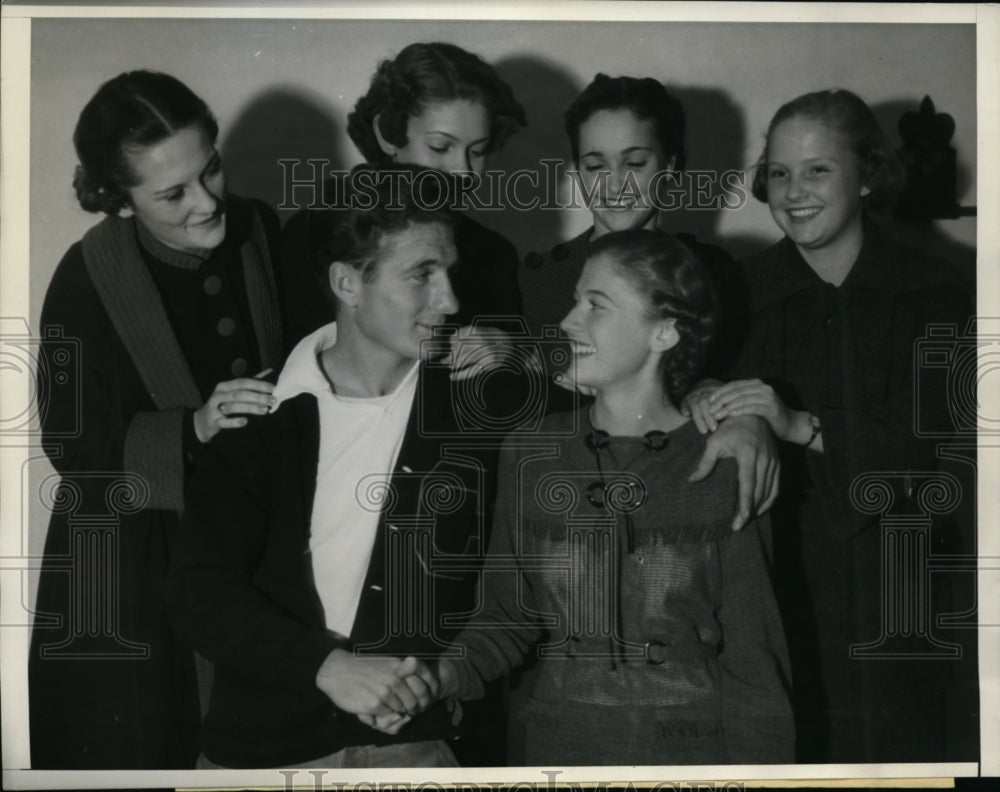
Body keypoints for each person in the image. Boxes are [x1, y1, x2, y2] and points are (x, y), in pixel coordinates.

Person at [166, 166, 537, 769]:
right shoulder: (259, 414)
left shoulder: (483, 401)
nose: (451, 301)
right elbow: (197, 590)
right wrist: (327, 667)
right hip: (259, 754)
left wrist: (729, 410)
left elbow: (623, 416)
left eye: (449, 272)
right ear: (347, 282)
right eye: (422, 274)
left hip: (415, 747)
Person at [426, 230, 794, 766]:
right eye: (575, 301)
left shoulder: (726, 459)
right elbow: (505, 617)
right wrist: (441, 676)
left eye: (595, 305)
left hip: (693, 758)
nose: (568, 322)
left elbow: (754, 661)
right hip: (552, 748)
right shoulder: (531, 449)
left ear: (664, 332)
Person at [686, 89, 977, 762]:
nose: (794, 192)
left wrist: (797, 424)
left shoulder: (942, 294)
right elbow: (684, 393)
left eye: (817, 170)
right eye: (781, 173)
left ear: (868, 173)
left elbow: (936, 461)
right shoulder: (738, 291)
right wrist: (701, 392)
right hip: (769, 599)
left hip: (899, 608)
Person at [29, 70, 283, 769]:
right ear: (118, 198)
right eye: (172, 194)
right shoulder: (86, 275)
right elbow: (69, 443)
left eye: (211, 170)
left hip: (246, 541)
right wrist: (192, 428)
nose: (206, 203)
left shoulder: (260, 229)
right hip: (132, 569)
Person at [521, 72, 775, 531]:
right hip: (566, 517)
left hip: (682, 510)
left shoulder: (717, 274)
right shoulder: (536, 281)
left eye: (635, 163)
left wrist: (740, 411)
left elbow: (747, 385)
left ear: (671, 165)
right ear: (577, 171)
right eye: (596, 165)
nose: (614, 184)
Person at [281, 41, 527, 343]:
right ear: (388, 134)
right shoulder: (311, 236)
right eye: (440, 146)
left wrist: (511, 352)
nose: (463, 172)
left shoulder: (495, 256)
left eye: (477, 151)